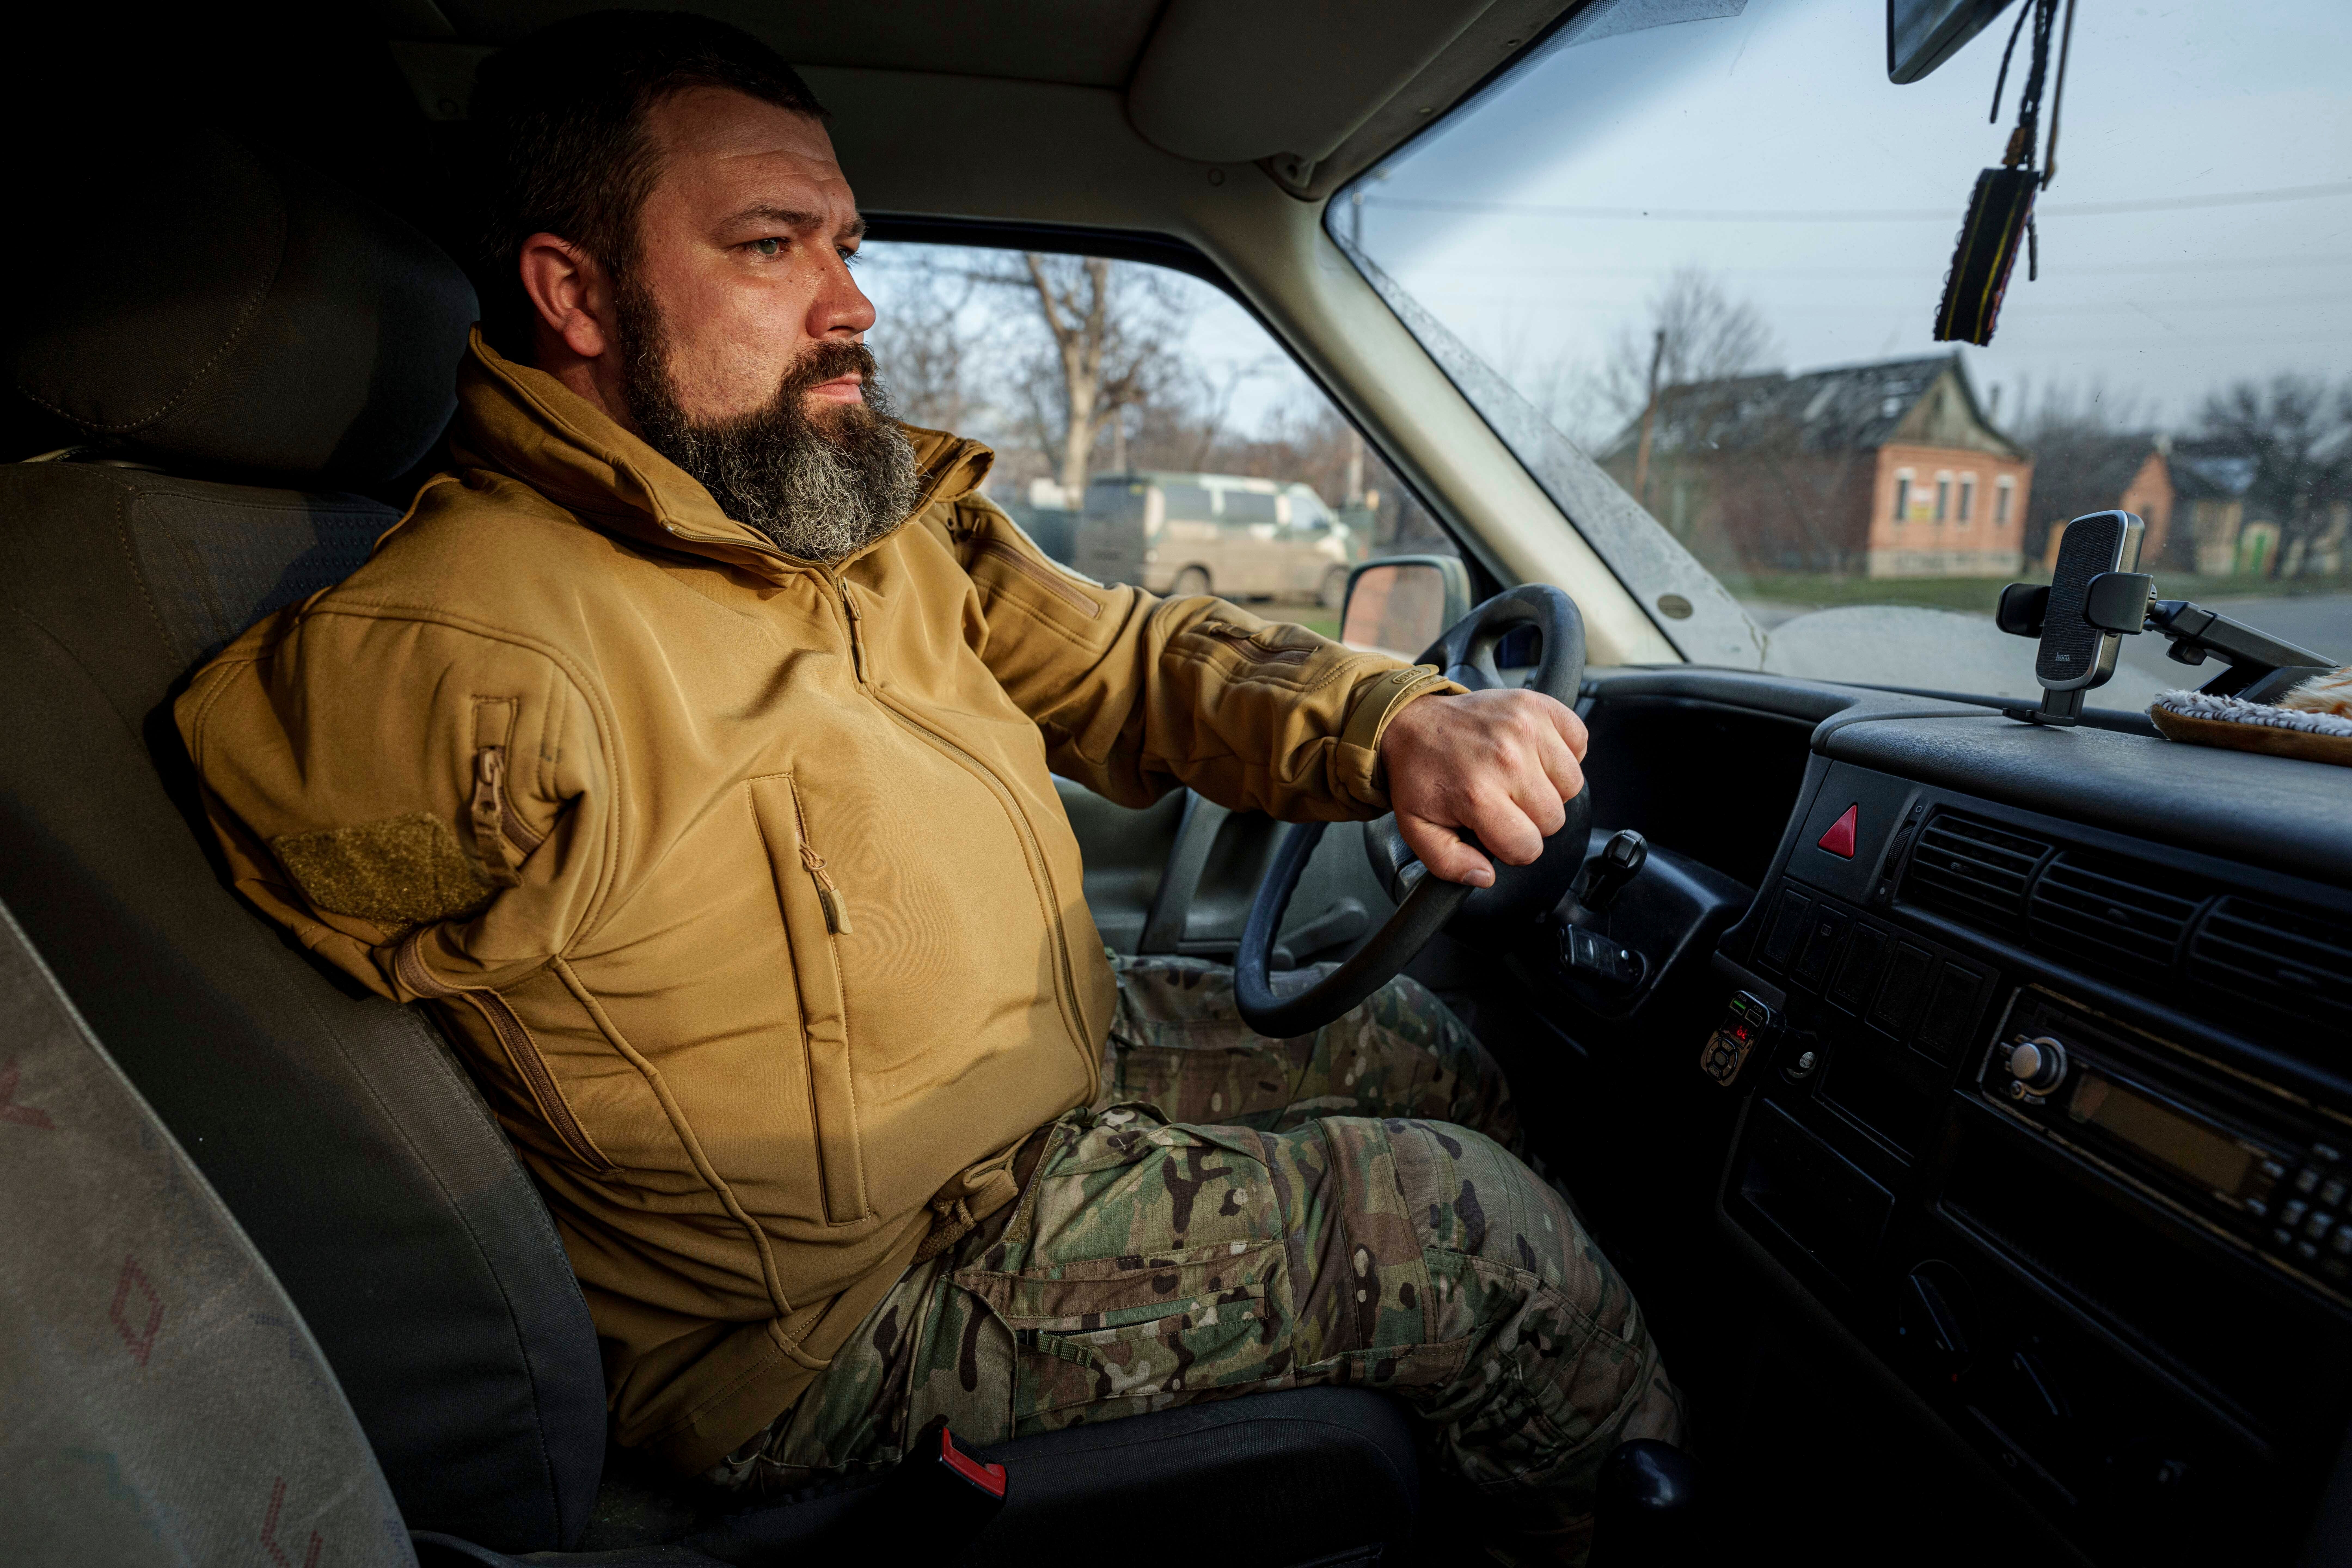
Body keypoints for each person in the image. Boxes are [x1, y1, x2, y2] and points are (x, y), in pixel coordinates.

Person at [174, 12, 1678, 1558]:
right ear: (572, 293)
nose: (853, 302)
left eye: (846, 241)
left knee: (1418, 1041)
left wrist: (1389, 724)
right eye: (773, 247)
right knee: (1483, 1242)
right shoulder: (458, 654)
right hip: (857, 1309)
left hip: (1030, 1091)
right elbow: (244, 1011)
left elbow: (1131, 661)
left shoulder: (846, 513)